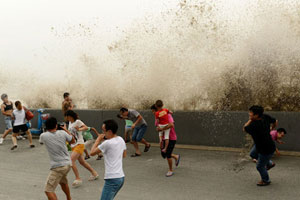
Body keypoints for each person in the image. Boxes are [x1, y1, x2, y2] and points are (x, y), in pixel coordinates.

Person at [39, 117, 75, 200]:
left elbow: (41, 142)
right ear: (56, 125)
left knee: (48, 190)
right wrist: (66, 130)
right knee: (63, 183)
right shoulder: (62, 133)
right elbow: (73, 141)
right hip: (68, 164)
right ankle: (69, 198)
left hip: (57, 167)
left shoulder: (43, 136)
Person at [90, 119, 126, 200]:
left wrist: (98, 140)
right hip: (120, 177)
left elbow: (91, 153)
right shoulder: (120, 139)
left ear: (109, 131)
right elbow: (124, 155)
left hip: (112, 179)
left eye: (104, 131)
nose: (102, 133)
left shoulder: (106, 143)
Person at [243, 105, 277, 186]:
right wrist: (272, 128)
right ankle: (269, 163)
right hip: (268, 145)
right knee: (252, 154)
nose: (249, 114)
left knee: (260, 166)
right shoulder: (265, 117)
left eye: (251, 113)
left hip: (265, 149)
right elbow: (276, 121)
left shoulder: (254, 125)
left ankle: (266, 180)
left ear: (256, 115)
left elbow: (244, 128)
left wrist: (250, 120)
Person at [65, 110, 98, 187]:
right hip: (74, 145)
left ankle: (78, 178)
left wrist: (79, 129)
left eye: (66, 116)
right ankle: (94, 173)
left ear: (69, 116)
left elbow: (86, 127)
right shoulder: (70, 123)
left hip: (80, 144)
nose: (66, 118)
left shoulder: (78, 122)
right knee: (82, 162)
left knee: (71, 161)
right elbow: (71, 133)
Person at [151, 104, 180, 177]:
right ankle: (176, 156)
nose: (153, 113)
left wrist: (161, 129)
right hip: (163, 138)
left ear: (157, 110)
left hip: (171, 138)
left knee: (168, 155)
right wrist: (160, 141)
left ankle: (170, 170)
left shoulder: (168, 115)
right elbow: (158, 129)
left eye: (153, 111)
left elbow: (171, 125)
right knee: (163, 154)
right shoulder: (157, 118)